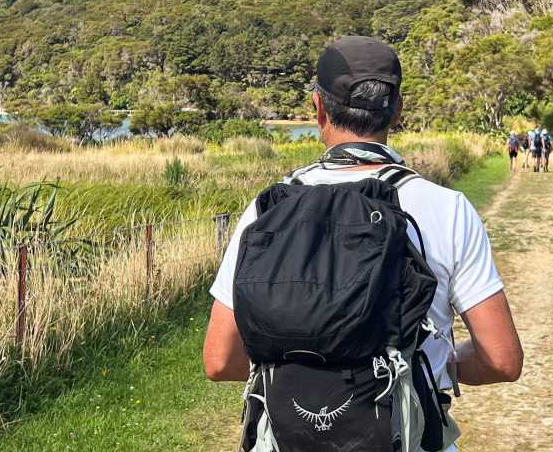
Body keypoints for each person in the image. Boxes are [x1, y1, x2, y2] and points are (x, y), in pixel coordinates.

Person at [203, 36, 523, 451]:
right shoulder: (448, 209)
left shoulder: (270, 208)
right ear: (398, 109)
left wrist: (307, 366)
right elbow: (502, 359)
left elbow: (219, 360)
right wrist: (431, 367)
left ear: (317, 107)